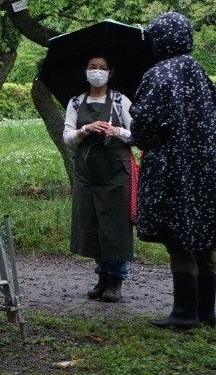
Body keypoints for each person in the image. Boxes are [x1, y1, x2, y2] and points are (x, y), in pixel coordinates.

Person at [131, 12, 216, 329]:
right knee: (203, 236)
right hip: (206, 170)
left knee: (179, 238)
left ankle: (184, 313)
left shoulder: (158, 75)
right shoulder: (202, 76)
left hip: (171, 171)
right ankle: (207, 312)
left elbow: (144, 127)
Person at [62, 54, 134, 303]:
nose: (97, 72)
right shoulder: (75, 101)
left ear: (110, 73)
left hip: (116, 174)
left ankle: (116, 279)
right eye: (92, 67)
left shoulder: (120, 100)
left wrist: (117, 131)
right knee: (92, 224)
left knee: (116, 226)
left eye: (102, 68)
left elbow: (136, 135)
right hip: (87, 175)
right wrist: (86, 129)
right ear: (85, 70)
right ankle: (102, 275)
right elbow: (67, 137)